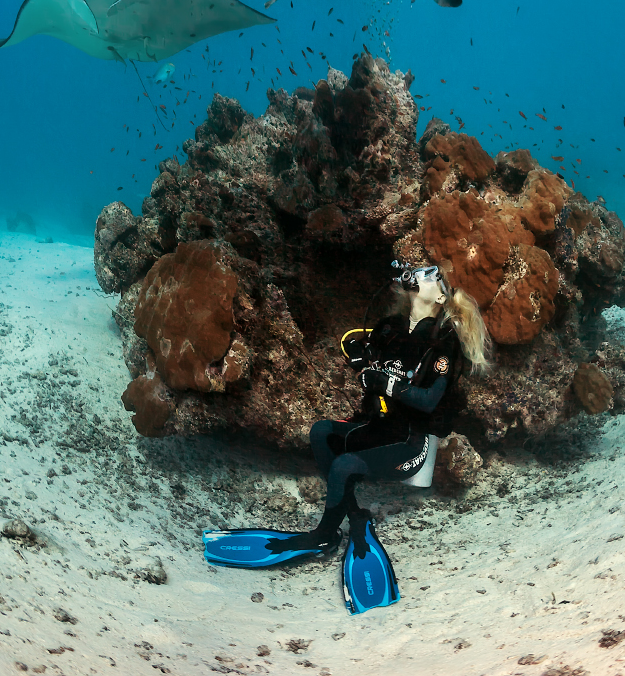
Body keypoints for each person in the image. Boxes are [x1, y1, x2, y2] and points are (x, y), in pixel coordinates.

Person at [203, 262, 491, 613]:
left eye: (432, 274)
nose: (422, 275)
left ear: (441, 295)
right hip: (376, 427)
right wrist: (361, 360)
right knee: (321, 431)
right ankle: (356, 516)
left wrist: (387, 383)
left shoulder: (441, 343)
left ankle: (324, 536)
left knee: (344, 465)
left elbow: (429, 400)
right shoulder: (390, 329)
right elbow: (360, 350)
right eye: (421, 272)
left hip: (410, 444)